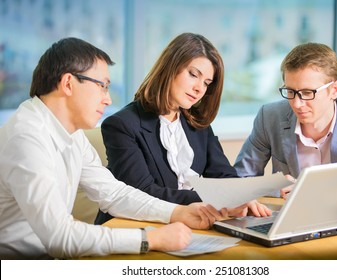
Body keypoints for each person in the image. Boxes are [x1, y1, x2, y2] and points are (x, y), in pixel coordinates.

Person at [0, 37, 227, 260]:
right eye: (102, 86)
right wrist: (150, 239)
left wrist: (179, 212)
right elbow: (61, 238)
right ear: (68, 83)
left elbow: (113, 193)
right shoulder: (26, 138)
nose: (108, 100)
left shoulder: (71, 134)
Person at [95, 33, 271, 225]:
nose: (199, 89)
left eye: (206, 83)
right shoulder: (121, 125)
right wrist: (216, 201)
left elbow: (223, 175)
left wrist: (240, 196)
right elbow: (143, 192)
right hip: (136, 226)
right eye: (193, 74)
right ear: (170, 68)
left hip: (189, 223)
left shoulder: (197, 123)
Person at [234, 42, 337, 203]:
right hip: (290, 222)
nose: (296, 103)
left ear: (334, 89)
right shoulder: (270, 117)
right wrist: (273, 187)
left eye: (307, 93)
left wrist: (311, 192)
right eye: (290, 91)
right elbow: (241, 179)